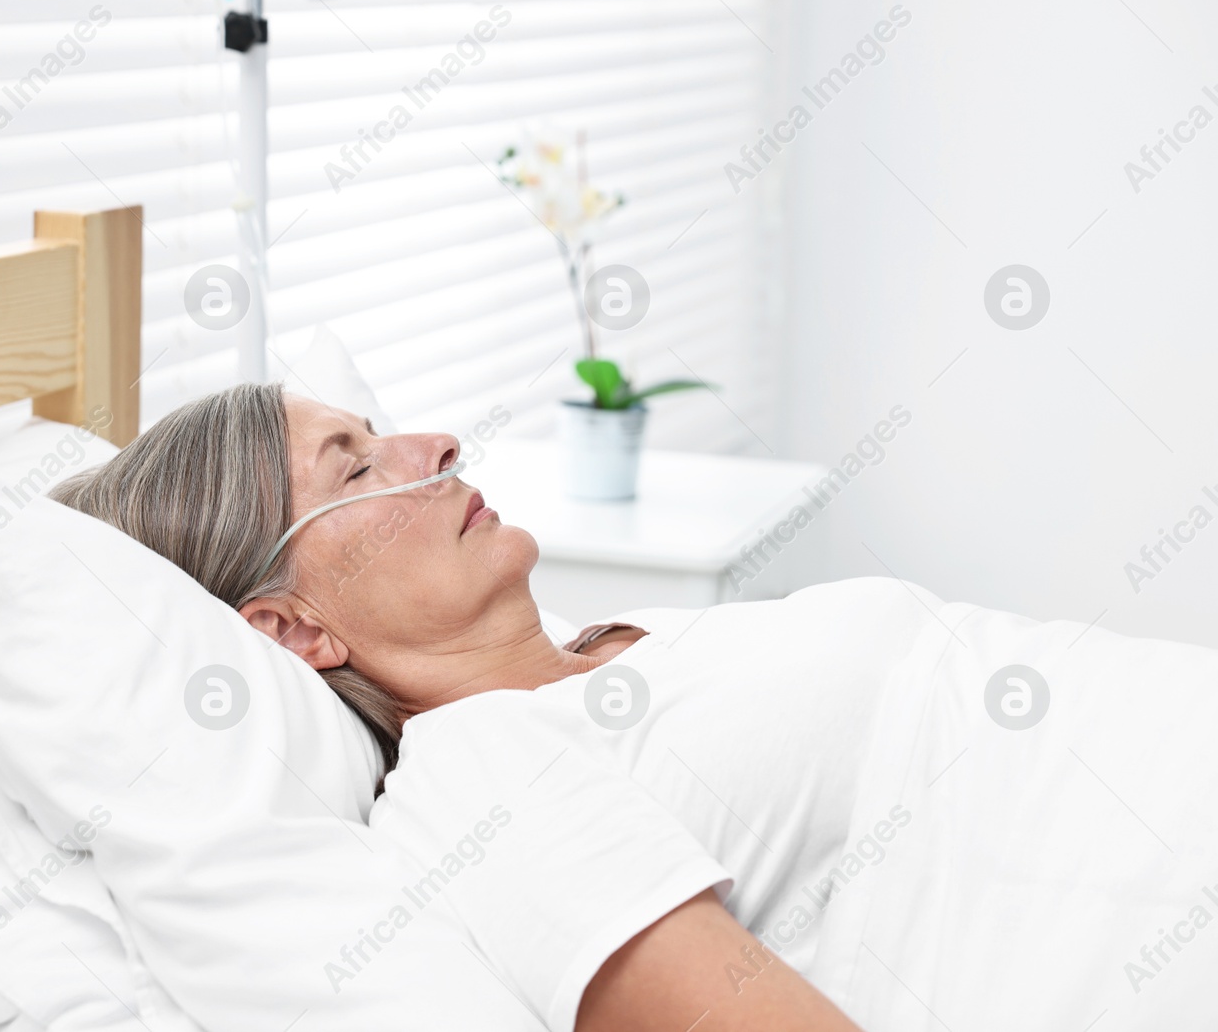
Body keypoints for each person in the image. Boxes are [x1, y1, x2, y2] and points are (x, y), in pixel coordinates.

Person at [52, 381, 874, 1031]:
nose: (438, 444)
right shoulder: (486, 774)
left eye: (377, 435)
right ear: (294, 628)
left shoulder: (612, 647)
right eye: (357, 466)